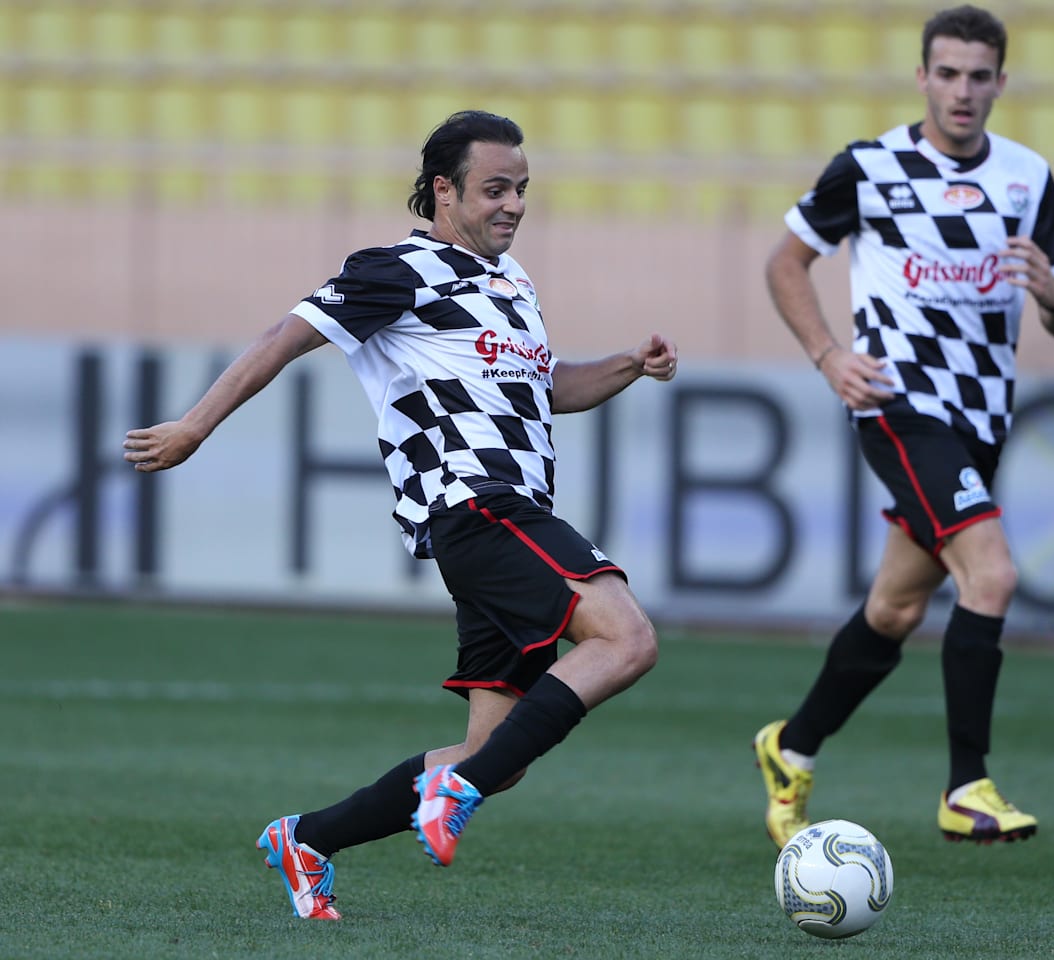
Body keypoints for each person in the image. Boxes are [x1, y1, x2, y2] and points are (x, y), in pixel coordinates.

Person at [123, 110, 678, 919]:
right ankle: (459, 792)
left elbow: (546, 389)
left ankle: (307, 838)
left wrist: (629, 364)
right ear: (443, 191)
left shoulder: (510, 283)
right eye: (496, 189)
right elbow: (288, 334)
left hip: (505, 516)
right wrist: (192, 426)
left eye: (522, 189)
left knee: (499, 751)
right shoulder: (398, 269)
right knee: (626, 638)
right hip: (476, 506)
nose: (514, 205)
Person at [753, 4, 1054, 849]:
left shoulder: (1026, 176)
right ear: (922, 77)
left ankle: (790, 748)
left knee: (896, 608)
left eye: (980, 76)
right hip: (899, 408)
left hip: (981, 420)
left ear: (1001, 83)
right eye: (948, 73)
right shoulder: (870, 168)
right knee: (994, 576)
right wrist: (830, 354)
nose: (963, 91)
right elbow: (785, 261)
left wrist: (1052, 292)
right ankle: (965, 786)